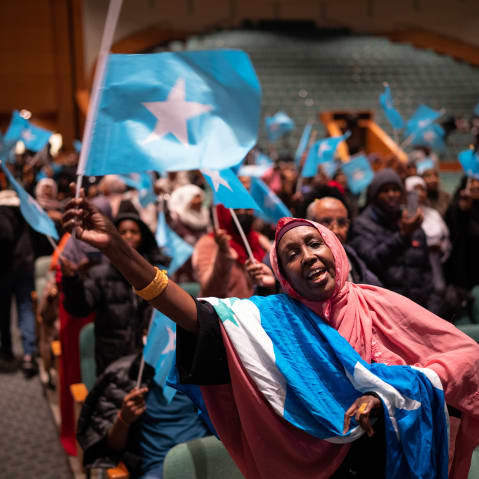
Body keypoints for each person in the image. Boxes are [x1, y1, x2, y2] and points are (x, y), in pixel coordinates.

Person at [63, 189, 479, 479]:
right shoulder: (270, 322)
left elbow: (467, 358)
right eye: (291, 254)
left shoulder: (381, 305)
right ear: (282, 274)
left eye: (314, 243)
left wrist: (388, 389)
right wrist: (118, 248)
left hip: (387, 466)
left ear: (333, 249)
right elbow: (191, 313)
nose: (307, 256)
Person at [61, 211, 170, 375]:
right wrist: (72, 281)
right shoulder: (99, 275)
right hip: (113, 364)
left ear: (143, 237)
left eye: (134, 232)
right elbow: (80, 308)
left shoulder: (156, 275)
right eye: (123, 232)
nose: (128, 236)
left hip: (149, 362)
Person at [77, 353, 210, 478]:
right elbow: (111, 448)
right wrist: (124, 419)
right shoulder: (126, 376)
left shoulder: (198, 368)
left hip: (204, 457)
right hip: (160, 466)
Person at [349, 168, 437, 311]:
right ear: (375, 195)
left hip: (420, 306)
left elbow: (426, 270)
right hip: (386, 308)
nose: (391, 195)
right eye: (385, 191)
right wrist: (403, 236)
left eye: (396, 190)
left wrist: (432, 306)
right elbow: (372, 261)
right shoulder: (362, 225)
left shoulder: (411, 222)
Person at [192, 205, 269, 298]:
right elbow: (211, 289)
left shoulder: (258, 240)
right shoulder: (209, 243)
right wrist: (223, 254)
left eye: (248, 209)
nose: (243, 213)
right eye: (236, 210)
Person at [0, 187, 38, 377]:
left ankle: (7, 351)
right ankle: (29, 354)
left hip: (6, 268)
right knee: (25, 309)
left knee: (5, 312)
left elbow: (5, 236)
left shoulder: (3, 212)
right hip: (25, 264)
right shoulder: (23, 211)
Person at [306, 197, 381, 286]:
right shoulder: (305, 262)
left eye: (342, 223)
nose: (336, 231)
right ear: (309, 225)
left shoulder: (351, 257)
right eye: (326, 222)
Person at [405, 176, 451, 295]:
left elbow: (446, 238)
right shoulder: (402, 215)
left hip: (436, 266)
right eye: (415, 189)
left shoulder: (433, 214)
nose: (420, 193)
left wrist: (441, 248)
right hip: (411, 273)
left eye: (422, 189)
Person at [167, 184, 210, 283]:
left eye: (200, 197)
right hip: (184, 263)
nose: (199, 201)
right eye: (195, 198)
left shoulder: (206, 214)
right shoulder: (178, 219)